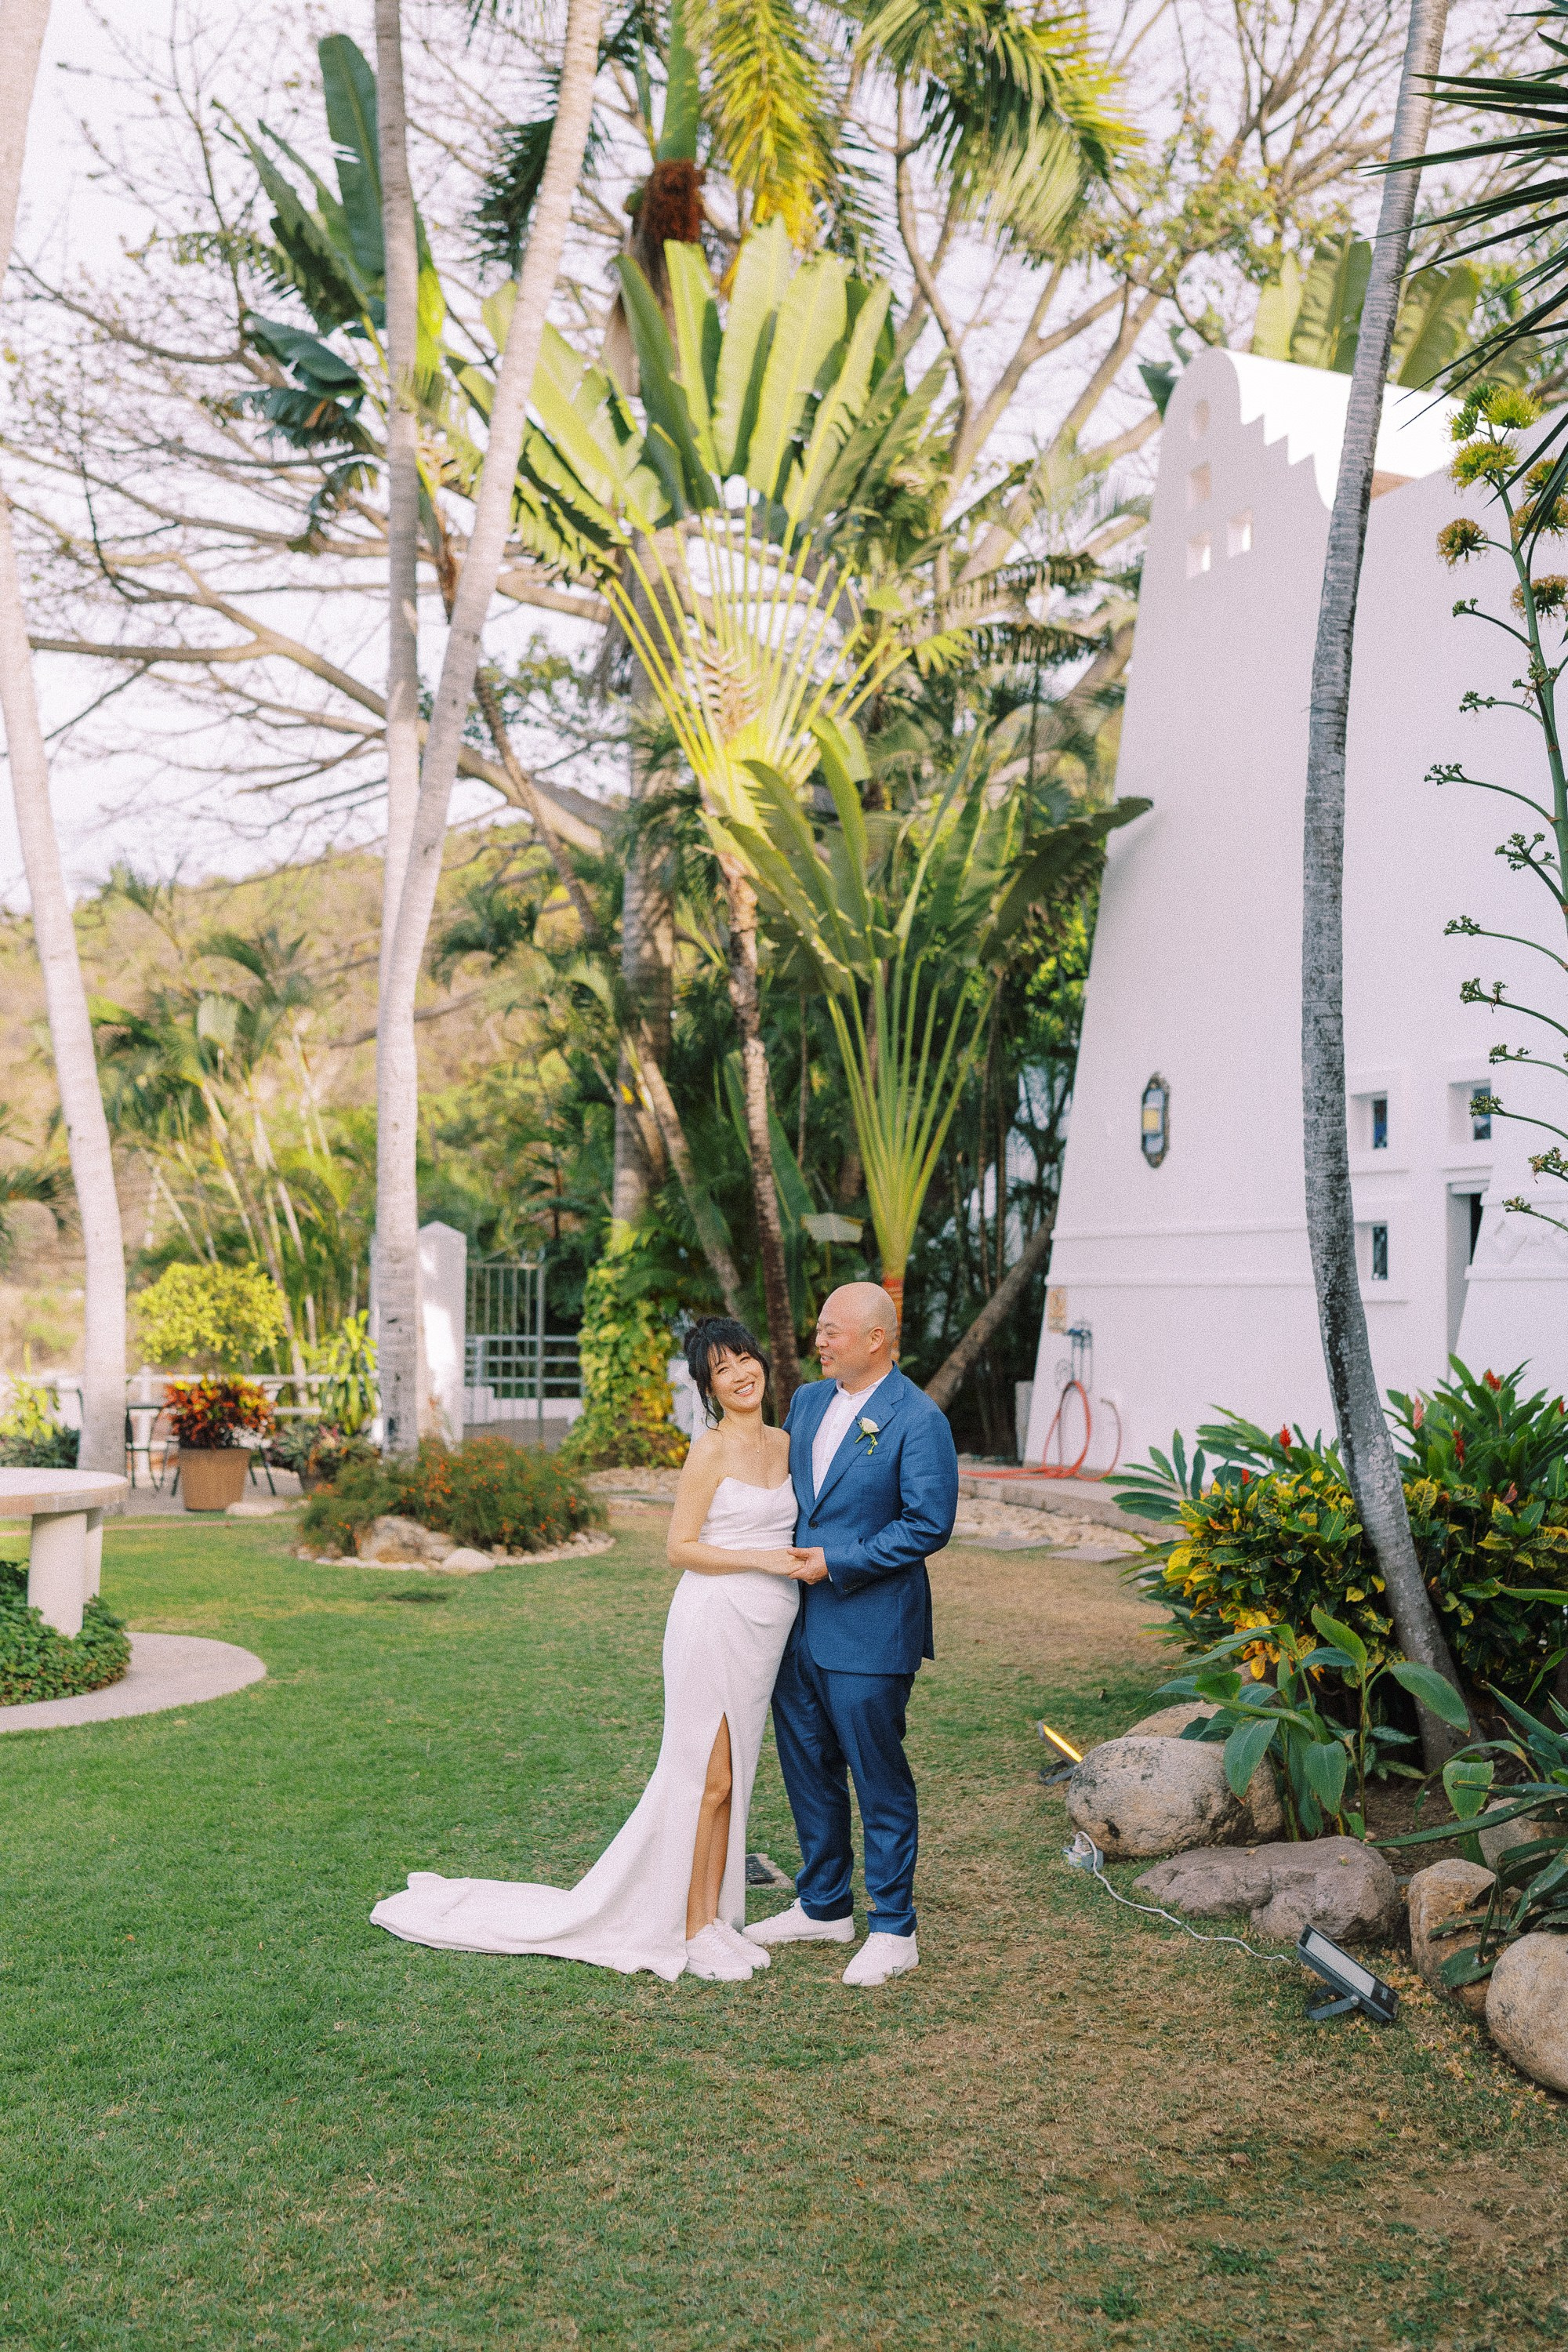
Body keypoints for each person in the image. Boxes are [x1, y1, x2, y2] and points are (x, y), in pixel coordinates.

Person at [370, 1318, 810, 1981]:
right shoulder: (710, 1451)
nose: (743, 1373)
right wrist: (766, 1560)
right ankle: (690, 1928)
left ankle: (716, 1918)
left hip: (765, 1630)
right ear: (708, 1388)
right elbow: (678, 1547)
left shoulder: (784, 1442)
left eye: (748, 1358)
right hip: (712, 1621)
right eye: (724, 1369)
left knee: (734, 1781)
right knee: (705, 1779)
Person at [745, 1283, 959, 1987]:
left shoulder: (918, 1419)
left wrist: (837, 1562)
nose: (819, 1340)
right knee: (806, 1766)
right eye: (819, 1328)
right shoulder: (806, 1403)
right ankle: (824, 1905)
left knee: (878, 1777)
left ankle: (894, 1930)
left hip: (871, 1627)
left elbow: (928, 1525)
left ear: (876, 1339)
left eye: (832, 1330)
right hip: (795, 1625)